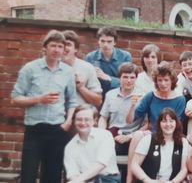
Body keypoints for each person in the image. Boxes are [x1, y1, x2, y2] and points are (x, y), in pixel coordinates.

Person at [11, 30, 77, 183]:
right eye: (53, 45)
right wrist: (39, 99)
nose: (56, 49)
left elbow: (72, 101)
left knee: (52, 177)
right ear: (44, 48)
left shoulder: (67, 71)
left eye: (60, 46)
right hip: (35, 129)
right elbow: (16, 98)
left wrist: (68, 122)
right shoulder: (30, 69)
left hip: (57, 129)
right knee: (28, 176)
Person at [126, 61, 186, 182]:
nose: (163, 84)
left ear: (172, 81)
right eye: (159, 80)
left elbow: (174, 125)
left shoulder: (180, 99)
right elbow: (130, 121)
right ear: (156, 81)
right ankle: (129, 177)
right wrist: (132, 106)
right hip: (151, 133)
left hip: (169, 134)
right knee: (137, 135)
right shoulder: (151, 96)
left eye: (166, 80)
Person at [98, 62, 142, 182]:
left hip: (133, 137)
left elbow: (147, 123)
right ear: (119, 78)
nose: (128, 81)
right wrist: (103, 134)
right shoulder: (110, 95)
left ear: (136, 79)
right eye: (125, 77)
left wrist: (129, 136)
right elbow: (103, 118)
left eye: (132, 77)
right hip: (113, 135)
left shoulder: (142, 96)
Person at [64, 107, 120, 183]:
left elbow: (101, 164)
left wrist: (78, 180)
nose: (83, 123)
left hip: (107, 179)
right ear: (74, 121)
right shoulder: (70, 147)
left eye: (87, 119)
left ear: (94, 121)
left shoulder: (105, 135)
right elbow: (72, 173)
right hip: (84, 181)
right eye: (79, 119)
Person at [132, 108, 188, 182]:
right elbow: (134, 165)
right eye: (164, 121)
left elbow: (183, 169)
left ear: (176, 123)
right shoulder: (148, 139)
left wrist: (173, 182)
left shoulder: (183, 142)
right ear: (159, 124)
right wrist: (148, 180)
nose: (168, 124)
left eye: (171, 121)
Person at [86, 26, 132, 99]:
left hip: (118, 96)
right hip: (97, 96)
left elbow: (129, 81)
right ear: (98, 41)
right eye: (102, 41)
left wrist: (108, 78)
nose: (105, 45)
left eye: (109, 41)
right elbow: (87, 81)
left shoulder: (125, 56)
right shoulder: (90, 57)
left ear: (115, 42)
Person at [62, 30, 103, 110]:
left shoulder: (87, 68)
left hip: (80, 118)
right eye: (61, 45)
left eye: (68, 44)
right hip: (57, 117)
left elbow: (98, 101)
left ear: (76, 49)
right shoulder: (52, 67)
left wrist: (81, 87)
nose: (65, 48)